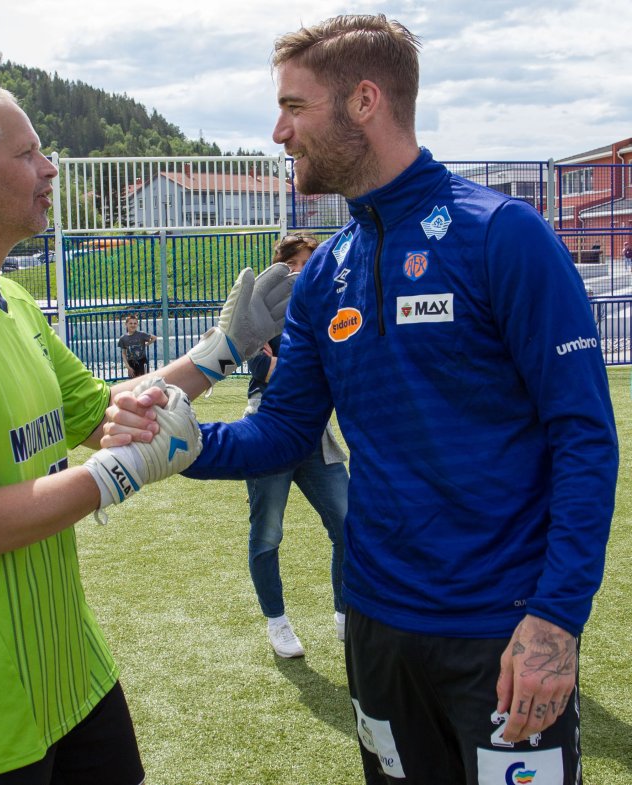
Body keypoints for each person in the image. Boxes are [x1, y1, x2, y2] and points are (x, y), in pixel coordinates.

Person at [105, 15, 618, 785]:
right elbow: (285, 430)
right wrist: (186, 445)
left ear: (365, 101)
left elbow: (584, 436)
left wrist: (556, 617)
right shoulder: (325, 271)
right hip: (378, 628)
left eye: (294, 107)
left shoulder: (502, 235)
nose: (279, 132)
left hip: (501, 629)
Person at [0, 84, 294, 785]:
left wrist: (223, 349)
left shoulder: (12, 300)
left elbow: (100, 412)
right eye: (27, 154)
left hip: (68, 669)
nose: (50, 168)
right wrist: (121, 472)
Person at [244, 232, 348, 658]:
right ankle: (277, 622)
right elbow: (261, 366)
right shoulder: (260, 305)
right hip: (269, 428)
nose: (303, 272)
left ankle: (346, 613)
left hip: (315, 432)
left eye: (310, 263)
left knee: (349, 525)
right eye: (295, 264)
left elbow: (336, 365)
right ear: (280, 265)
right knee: (267, 534)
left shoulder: (325, 304)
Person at [119, 313, 156, 377]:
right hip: (131, 363)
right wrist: (128, 367)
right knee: (134, 380)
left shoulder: (141, 334)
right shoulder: (123, 338)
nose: (133, 325)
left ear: (137, 324)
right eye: (130, 323)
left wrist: (146, 344)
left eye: (135, 323)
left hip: (142, 361)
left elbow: (154, 338)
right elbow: (123, 353)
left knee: (144, 380)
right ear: (126, 324)